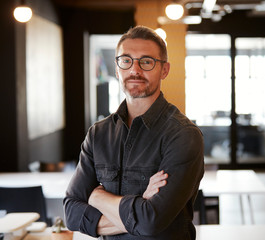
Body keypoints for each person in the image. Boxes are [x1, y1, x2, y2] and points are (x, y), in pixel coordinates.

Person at [63, 25, 204, 240]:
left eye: (147, 62)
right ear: (117, 68)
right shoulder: (98, 134)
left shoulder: (183, 135)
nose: (135, 70)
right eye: (126, 60)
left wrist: (96, 196)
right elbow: (72, 215)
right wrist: (140, 204)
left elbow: (151, 221)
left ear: (164, 70)